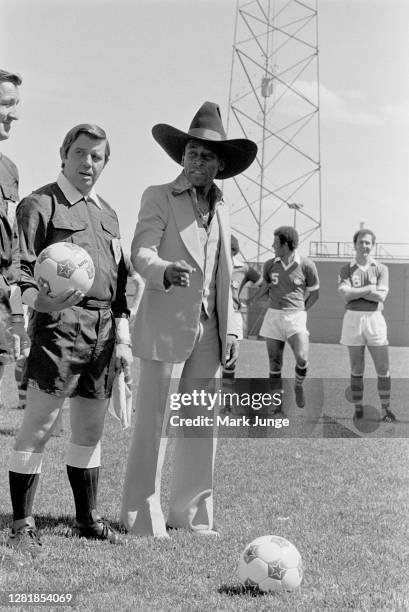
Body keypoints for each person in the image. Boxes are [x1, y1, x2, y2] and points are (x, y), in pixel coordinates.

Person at [120, 101, 257, 538]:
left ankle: (192, 515)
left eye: (207, 156)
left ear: (220, 165)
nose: (198, 161)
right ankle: (141, 516)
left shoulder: (224, 207)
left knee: (200, 427)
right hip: (164, 324)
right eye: (192, 153)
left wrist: (231, 326)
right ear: (182, 156)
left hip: (211, 333)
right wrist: (162, 270)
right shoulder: (157, 196)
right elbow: (140, 251)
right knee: (153, 424)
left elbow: (224, 274)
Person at [7, 123, 132, 555]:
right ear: (64, 153)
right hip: (59, 327)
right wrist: (30, 305)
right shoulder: (39, 204)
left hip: (102, 330)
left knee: (91, 428)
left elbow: (120, 283)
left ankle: (87, 519)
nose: (88, 163)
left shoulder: (109, 214)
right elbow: (20, 268)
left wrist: (124, 336)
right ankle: (22, 523)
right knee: (39, 425)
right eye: (81, 153)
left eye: (98, 157)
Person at [338, 228, 396, 423]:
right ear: (354, 244)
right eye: (361, 242)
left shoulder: (381, 269)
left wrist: (357, 291)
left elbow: (381, 296)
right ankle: (358, 409)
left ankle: (386, 410)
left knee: (383, 368)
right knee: (356, 367)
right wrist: (370, 289)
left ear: (372, 245)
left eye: (368, 243)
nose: (364, 246)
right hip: (352, 319)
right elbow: (345, 295)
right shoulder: (346, 268)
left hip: (374, 319)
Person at [259, 226, 319, 410]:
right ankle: (277, 407)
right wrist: (258, 298)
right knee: (275, 363)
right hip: (274, 317)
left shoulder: (307, 265)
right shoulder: (269, 265)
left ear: (286, 245)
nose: (272, 245)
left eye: (276, 243)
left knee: (302, 358)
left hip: (296, 317)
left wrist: (301, 311)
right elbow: (264, 288)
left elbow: (315, 294)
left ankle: (298, 385)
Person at [0, 69, 30, 408]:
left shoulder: (9, 169)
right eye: (7, 104)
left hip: (4, 301)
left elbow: (14, 238)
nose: (15, 113)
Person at [222, 235, 262, 408]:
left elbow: (263, 283)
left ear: (234, 250)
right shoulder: (214, 265)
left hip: (234, 317)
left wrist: (251, 301)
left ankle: (227, 404)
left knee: (230, 361)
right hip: (214, 315)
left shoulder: (243, 269)